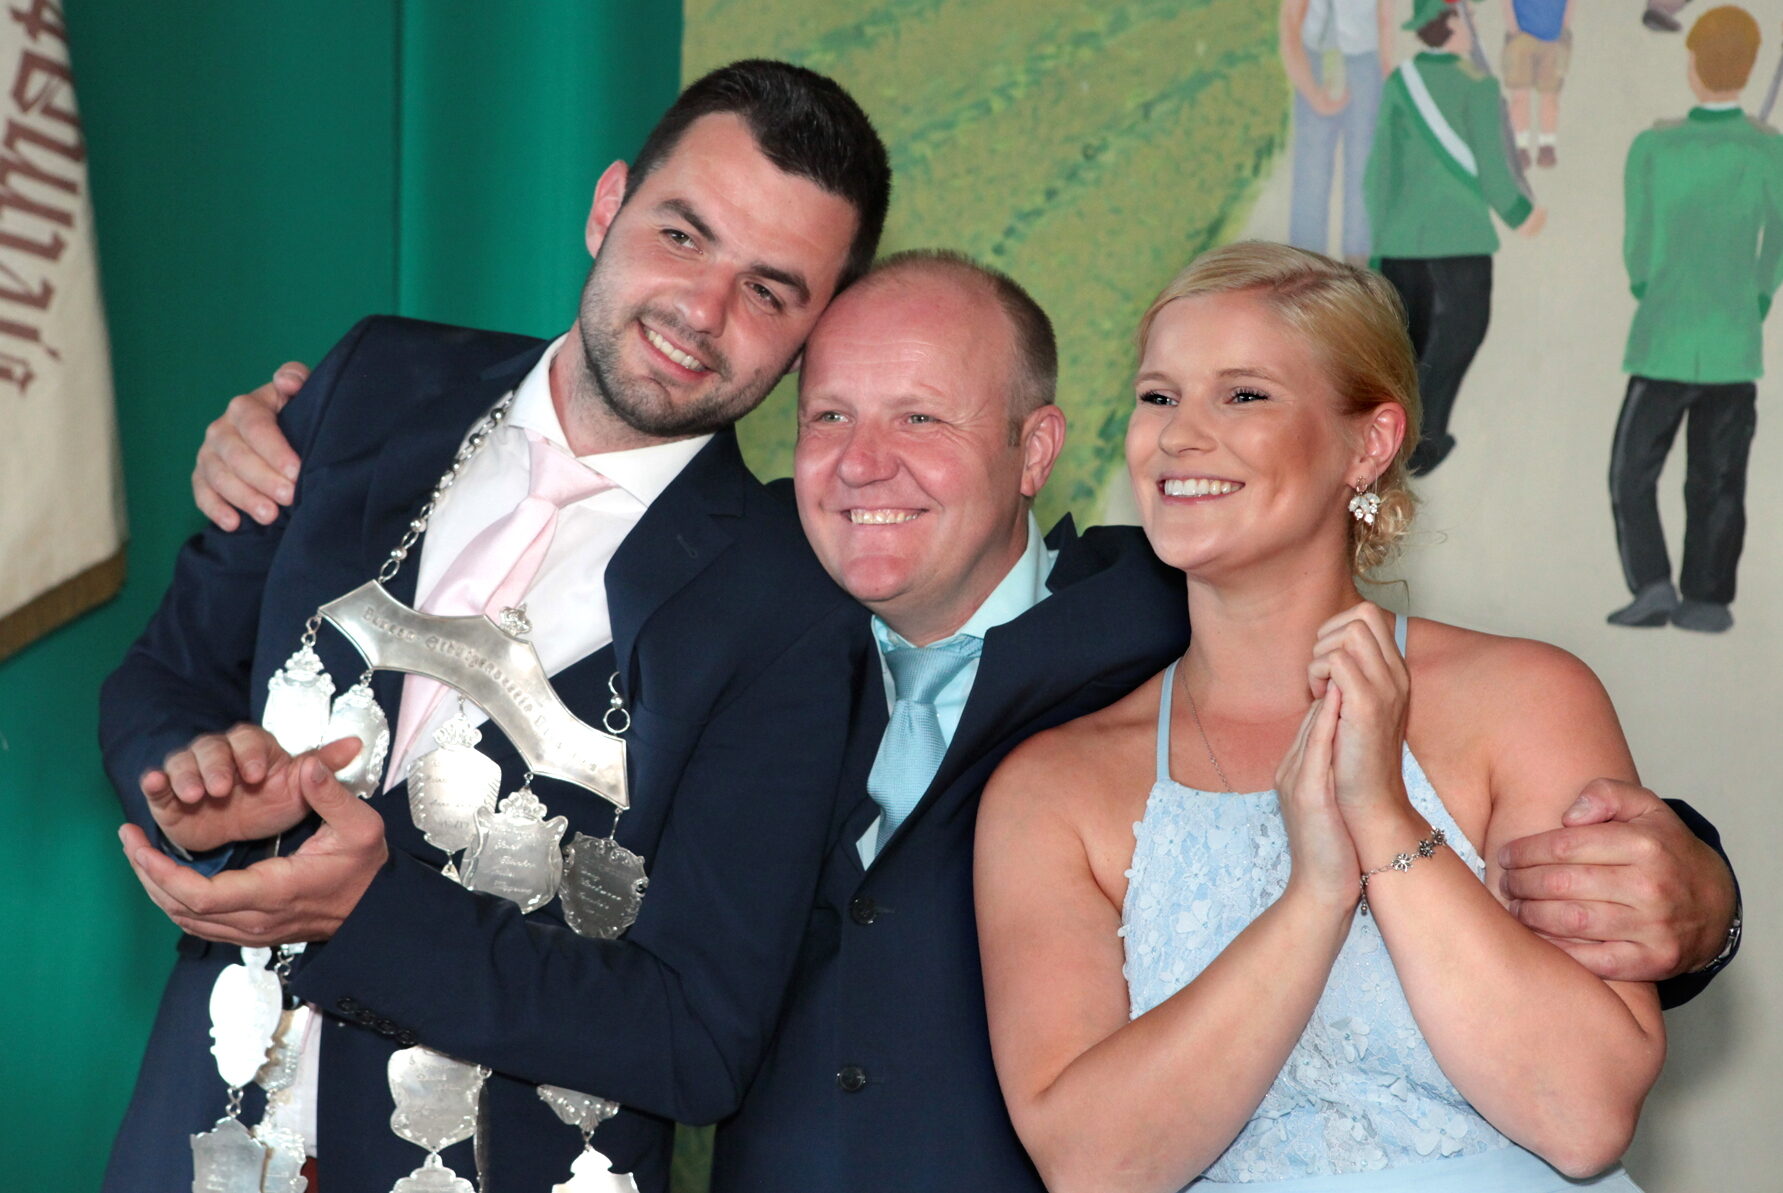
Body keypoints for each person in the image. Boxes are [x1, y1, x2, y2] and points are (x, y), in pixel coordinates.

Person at [195, 250, 1741, 1193]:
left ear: (1034, 450)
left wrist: (1697, 890)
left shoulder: (1143, 608)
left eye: (921, 417)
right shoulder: (694, 632)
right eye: (829, 416)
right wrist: (297, 432)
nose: (863, 463)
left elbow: (1546, 868)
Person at [101, 59, 890, 1193]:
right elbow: (164, 676)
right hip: (189, 1147)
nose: (702, 311)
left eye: (770, 291)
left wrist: (367, 916)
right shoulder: (373, 380)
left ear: (815, 329)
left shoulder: (791, 609)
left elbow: (700, 1035)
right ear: (607, 205)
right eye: (681, 235)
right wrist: (196, 779)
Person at [977, 242, 1672, 1193]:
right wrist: (1312, 895)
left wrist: (1382, 816)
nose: (1179, 435)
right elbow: (1096, 1166)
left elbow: (1582, 1116)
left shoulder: (1526, 700)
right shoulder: (1054, 786)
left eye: (1243, 394)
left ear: (1368, 444)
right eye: (1158, 396)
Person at [1606, 4, 1783, 633]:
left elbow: (1637, 250)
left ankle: (1653, 584)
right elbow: (1776, 247)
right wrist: (1756, 299)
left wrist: (1649, 286)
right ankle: (1707, 601)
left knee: (1632, 473)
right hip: (1733, 340)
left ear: (1693, 66)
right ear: (1750, 67)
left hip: (1665, 335)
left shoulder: (1654, 147)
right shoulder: (1769, 151)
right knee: (1720, 478)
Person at [1365, 0, 1545, 476]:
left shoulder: (1400, 83)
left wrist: (1380, 242)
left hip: (1402, 243)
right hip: (1461, 240)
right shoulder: (1479, 86)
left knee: (1408, 345)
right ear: (1451, 25)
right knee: (1461, 337)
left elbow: (1380, 173)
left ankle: (1398, 439)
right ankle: (1424, 439)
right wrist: (1522, 214)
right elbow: (1494, 170)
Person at [1280, 0, 1395, 264]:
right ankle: (1304, 265)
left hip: (1365, 65)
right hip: (1315, 62)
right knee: (1311, 170)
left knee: (1364, 170)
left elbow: (1385, 21)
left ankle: (1359, 266)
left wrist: (1387, 80)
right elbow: (1290, 25)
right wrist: (1312, 92)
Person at [1503, 0, 1572, 168]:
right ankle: (1520, 147)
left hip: (1554, 37)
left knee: (1550, 95)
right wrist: (1513, 29)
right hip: (1521, 36)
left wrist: (1564, 27)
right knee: (1520, 96)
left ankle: (1547, 146)